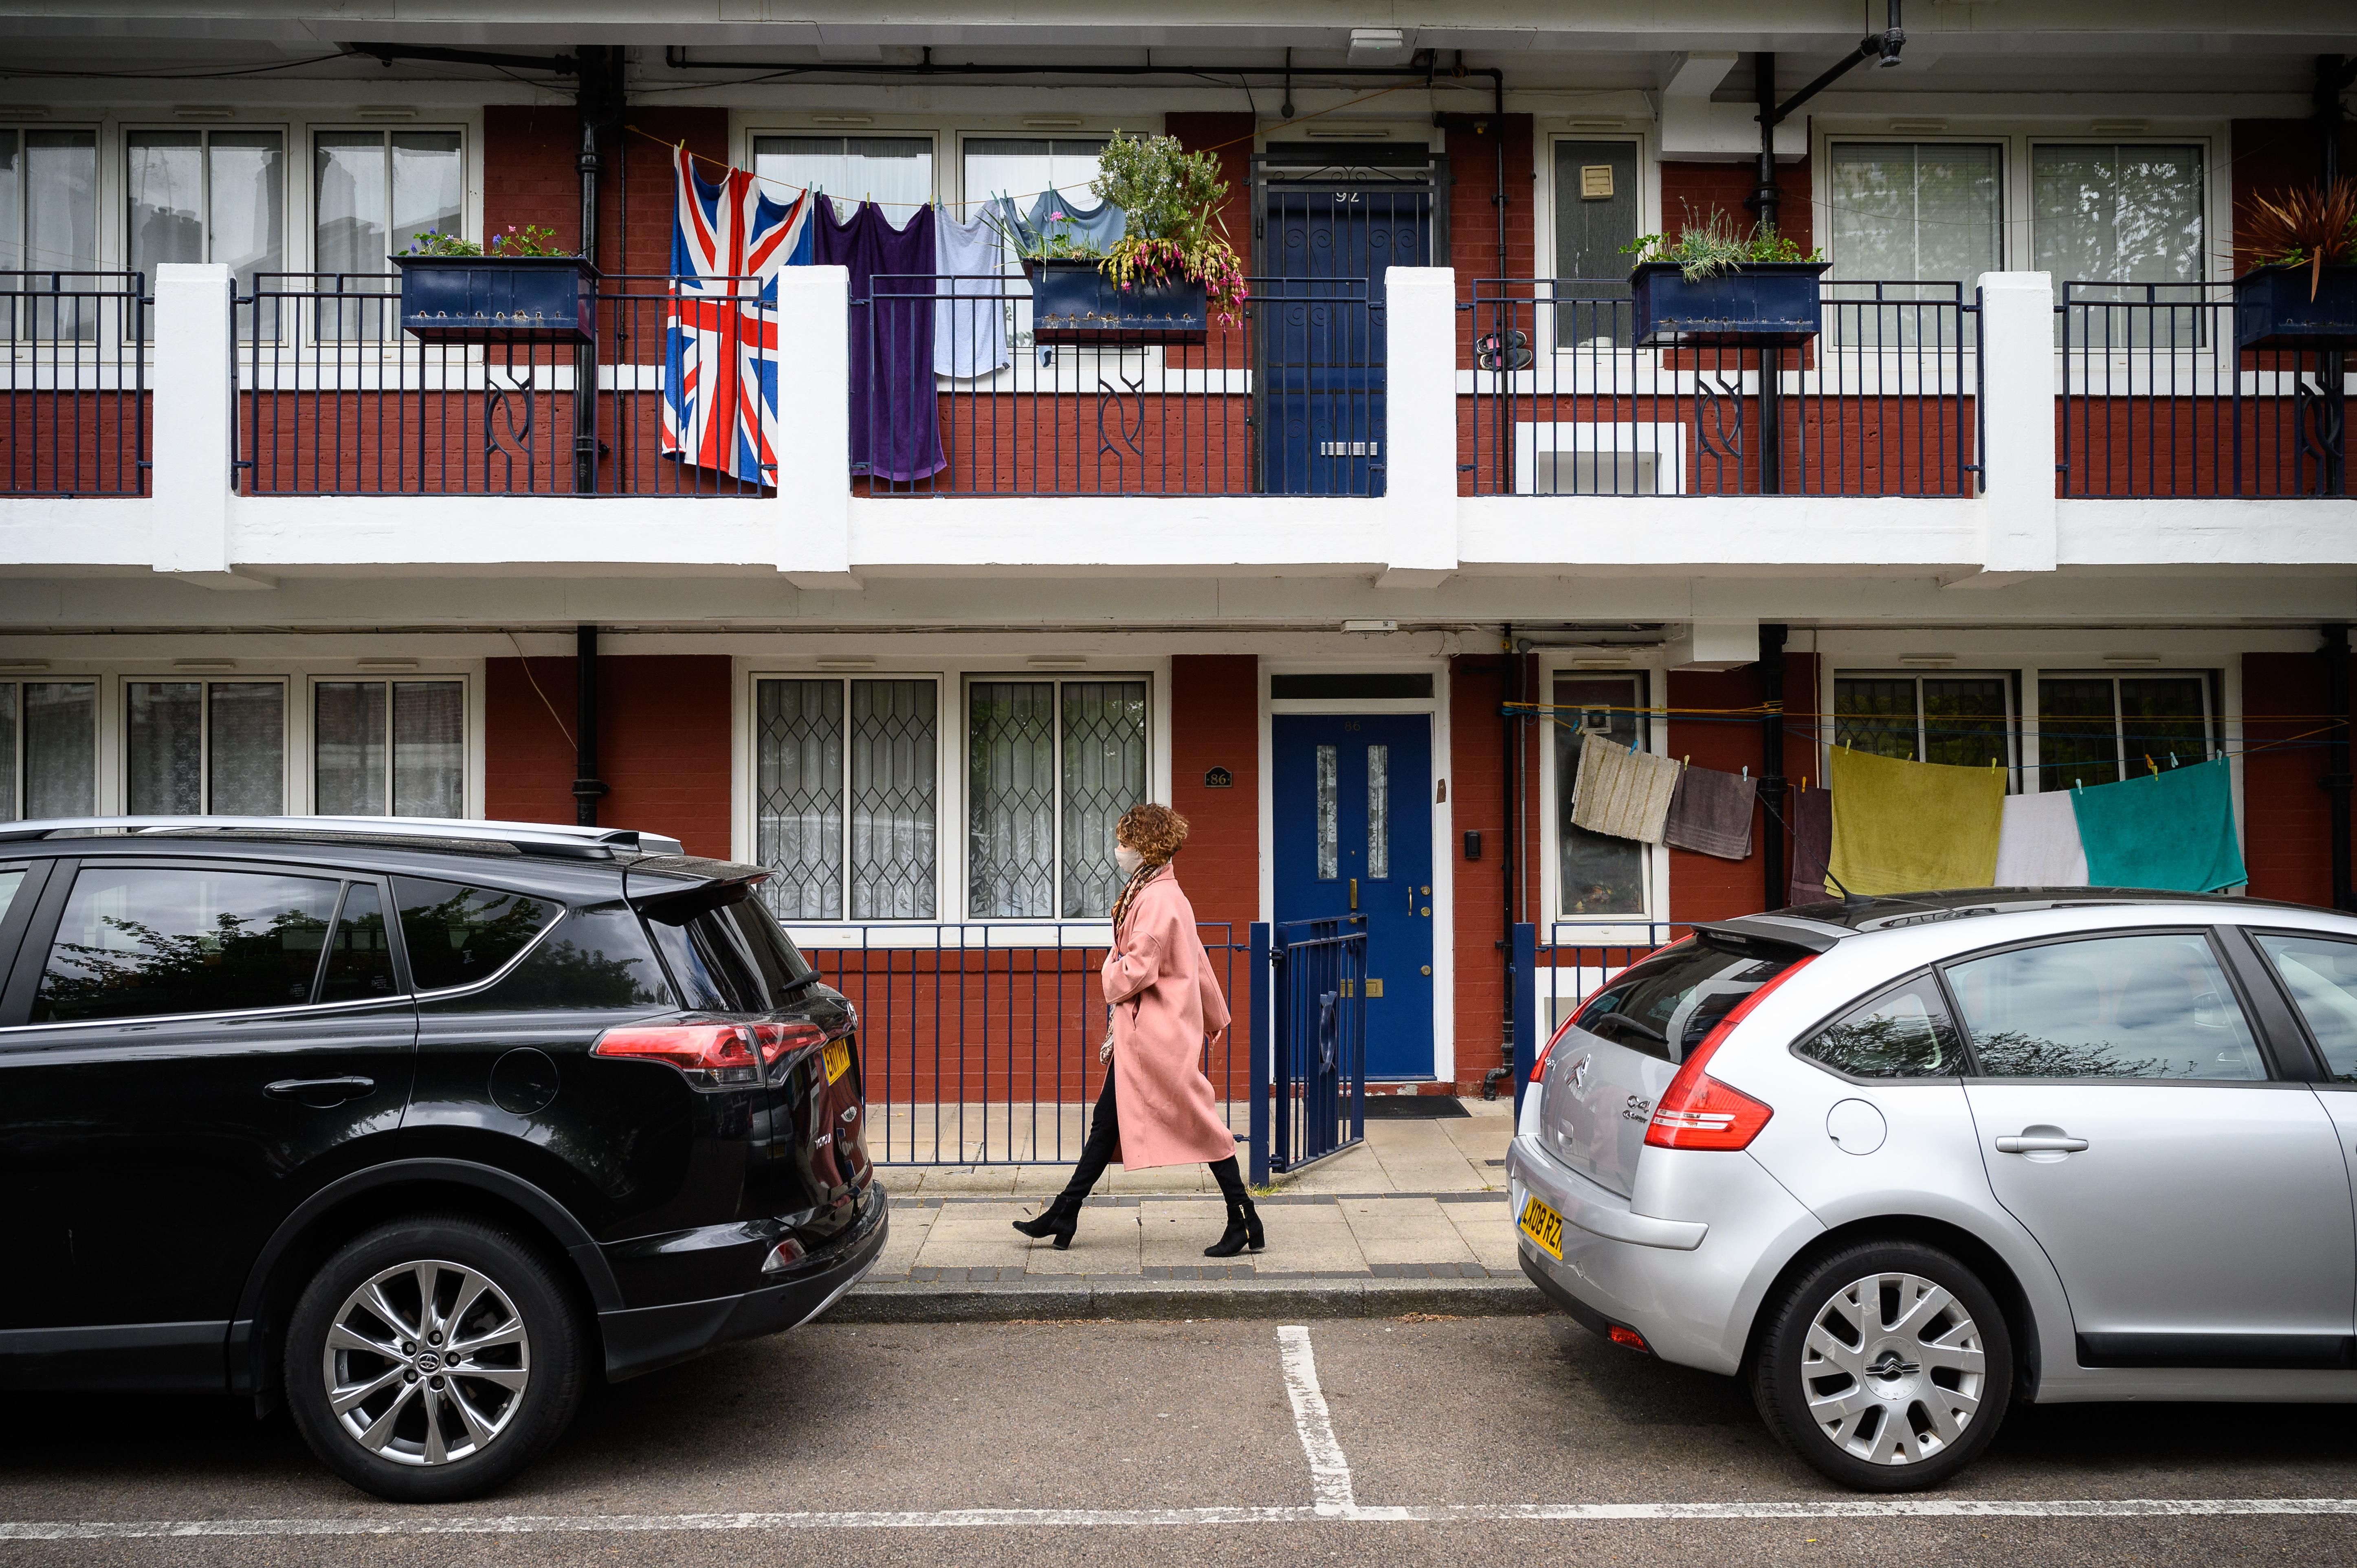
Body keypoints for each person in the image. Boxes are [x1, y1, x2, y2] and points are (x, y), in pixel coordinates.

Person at [1013, 802, 1264, 1258]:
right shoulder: (1159, 892)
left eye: (1124, 842)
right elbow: (1198, 960)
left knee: (1201, 1123)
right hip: (1150, 1033)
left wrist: (1107, 970)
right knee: (1106, 1123)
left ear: (1143, 848)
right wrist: (1211, 1015)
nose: (1117, 850)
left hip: (1154, 1035)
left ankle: (1244, 1216)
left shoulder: (1155, 899)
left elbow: (1134, 971)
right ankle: (1064, 1212)